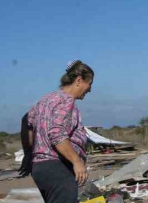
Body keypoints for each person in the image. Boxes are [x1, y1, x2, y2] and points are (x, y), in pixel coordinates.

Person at [24, 60, 94, 203]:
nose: (90, 89)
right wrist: (76, 161)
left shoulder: (46, 100)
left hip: (40, 168)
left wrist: (29, 154)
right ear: (79, 81)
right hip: (58, 168)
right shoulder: (66, 100)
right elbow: (56, 133)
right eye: (90, 84)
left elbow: (25, 121)